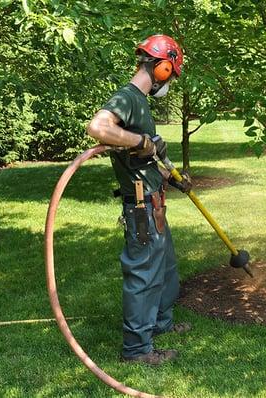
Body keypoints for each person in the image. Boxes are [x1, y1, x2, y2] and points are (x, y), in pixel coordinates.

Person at [87, 34, 192, 366]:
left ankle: (160, 325)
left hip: (154, 200)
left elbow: (138, 160)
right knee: (144, 275)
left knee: (166, 268)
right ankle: (137, 350)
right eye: (171, 74)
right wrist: (141, 140)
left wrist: (169, 178)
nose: (170, 81)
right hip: (141, 208)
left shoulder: (141, 102)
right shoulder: (128, 97)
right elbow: (99, 127)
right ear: (161, 68)